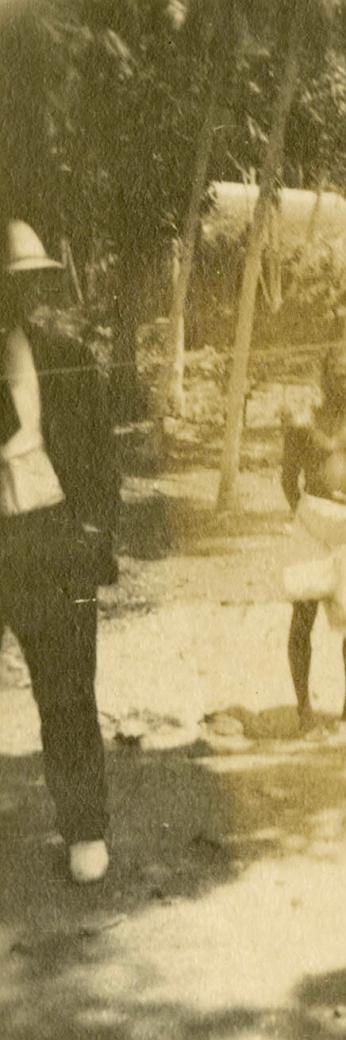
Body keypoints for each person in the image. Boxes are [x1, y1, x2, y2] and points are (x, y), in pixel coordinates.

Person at [1, 219, 119, 885]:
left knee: (68, 691)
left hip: (50, 539)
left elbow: (100, 462)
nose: (12, 298)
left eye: (21, 286)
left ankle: (84, 831)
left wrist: (91, 540)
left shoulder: (63, 356)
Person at [281, 351, 346, 730]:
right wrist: (310, 515)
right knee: (303, 614)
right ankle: (303, 705)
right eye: (340, 377)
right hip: (313, 527)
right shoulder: (303, 424)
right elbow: (288, 480)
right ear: (323, 378)